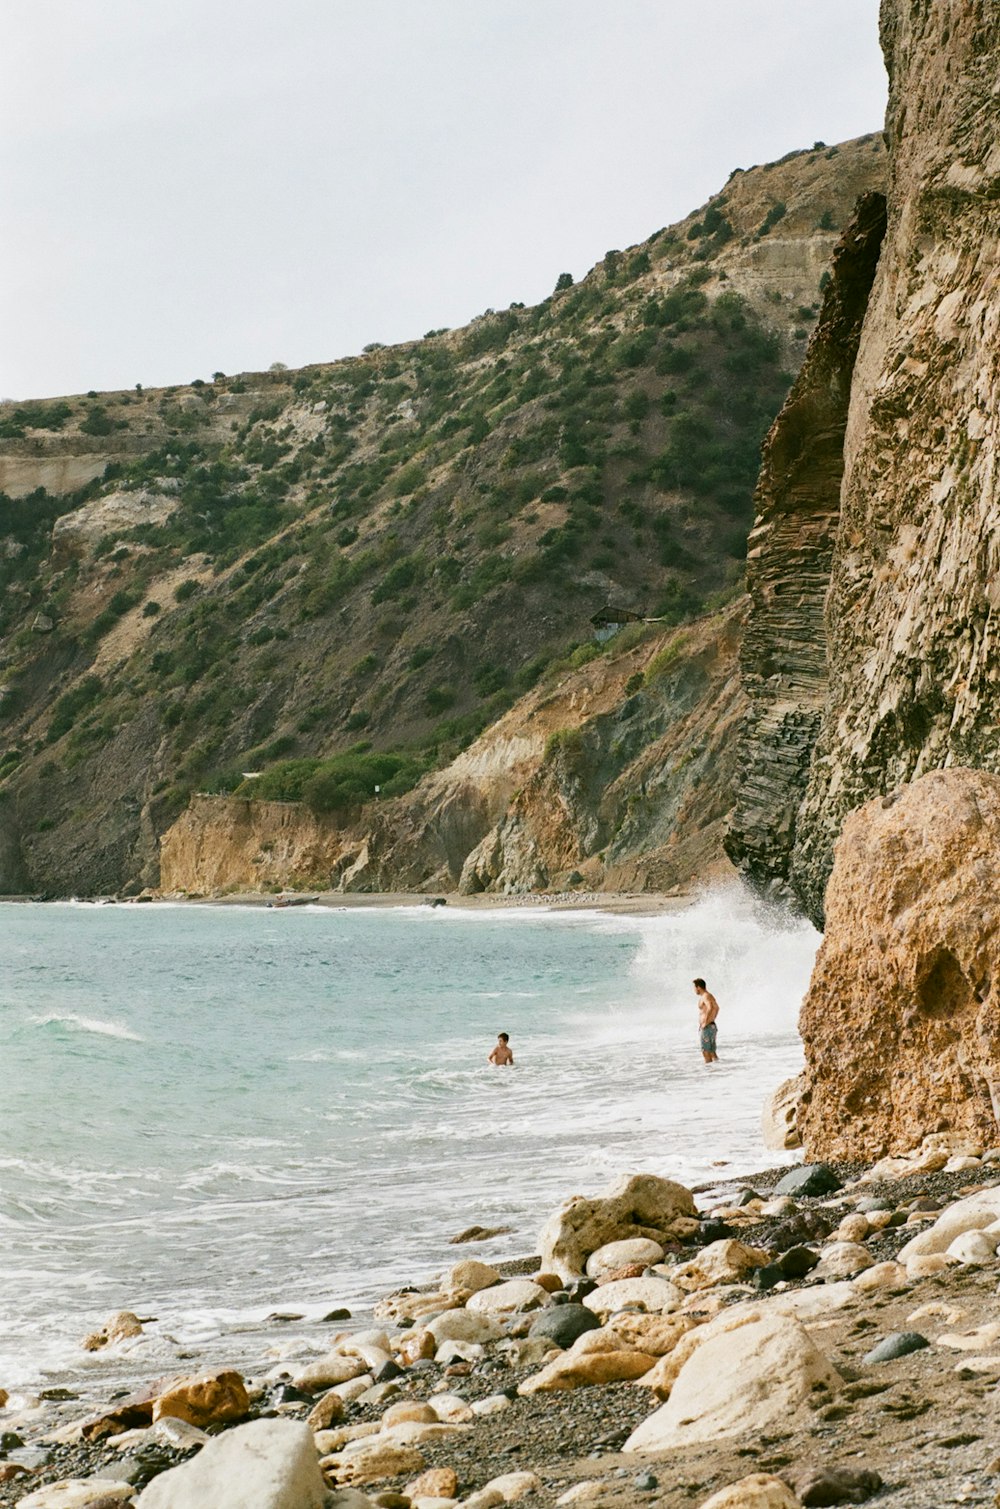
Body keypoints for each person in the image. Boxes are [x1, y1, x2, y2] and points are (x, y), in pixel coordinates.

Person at [693, 978, 719, 1064]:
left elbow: (710, 1007)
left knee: (706, 1052)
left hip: (707, 1027)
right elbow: (717, 1008)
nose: (694, 990)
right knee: (712, 1052)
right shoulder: (709, 995)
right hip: (711, 1026)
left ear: (698, 987)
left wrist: (705, 1022)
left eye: (694, 988)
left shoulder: (705, 996)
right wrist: (712, 1019)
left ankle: (709, 1074)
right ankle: (717, 1069)